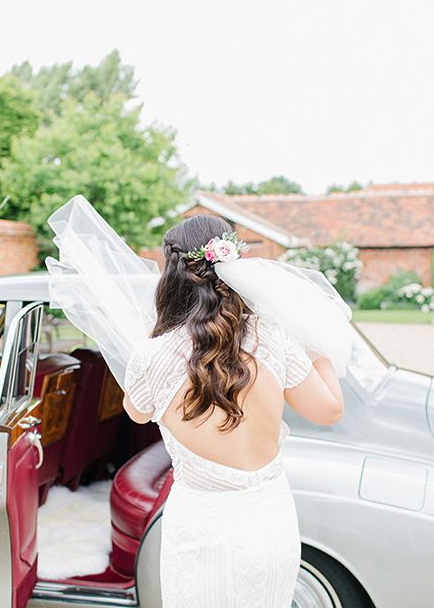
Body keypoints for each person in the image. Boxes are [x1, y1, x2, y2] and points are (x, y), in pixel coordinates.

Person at [121, 215, 344, 607]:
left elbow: (137, 413)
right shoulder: (275, 339)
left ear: (172, 275)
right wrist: (317, 339)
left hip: (199, 531)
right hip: (269, 528)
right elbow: (330, 410)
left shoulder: (151, 356)